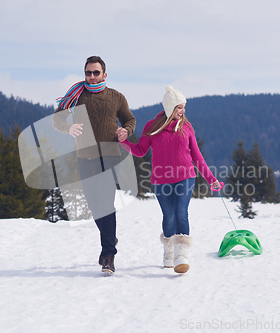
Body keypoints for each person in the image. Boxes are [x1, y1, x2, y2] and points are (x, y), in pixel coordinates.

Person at [117, 86, 221, 273]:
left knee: (181, 212)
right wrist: (123, 141)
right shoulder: (152, 126)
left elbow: (197, 156)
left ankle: (182, 256)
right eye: (179, 108)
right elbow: (140, 151)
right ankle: (169, 252)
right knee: (169, 216)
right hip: (161, 179)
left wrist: (211, 178)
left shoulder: (186, 127)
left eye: (183, 107)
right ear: (170, 107)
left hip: (185, 177)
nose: (182, 112)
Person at [52, 56, 136, 274]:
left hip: (110, 156)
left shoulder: (117, 97)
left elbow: (129, 119)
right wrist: (67, 128)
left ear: (104, 75)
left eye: (95, 73)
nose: (91, 76)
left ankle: (108, 255)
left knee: (106, 204)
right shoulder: (77, 96)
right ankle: (111, 236)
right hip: (85, 157)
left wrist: (126, 130)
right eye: (88, 73)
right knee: (94, 205)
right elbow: (57, 119)